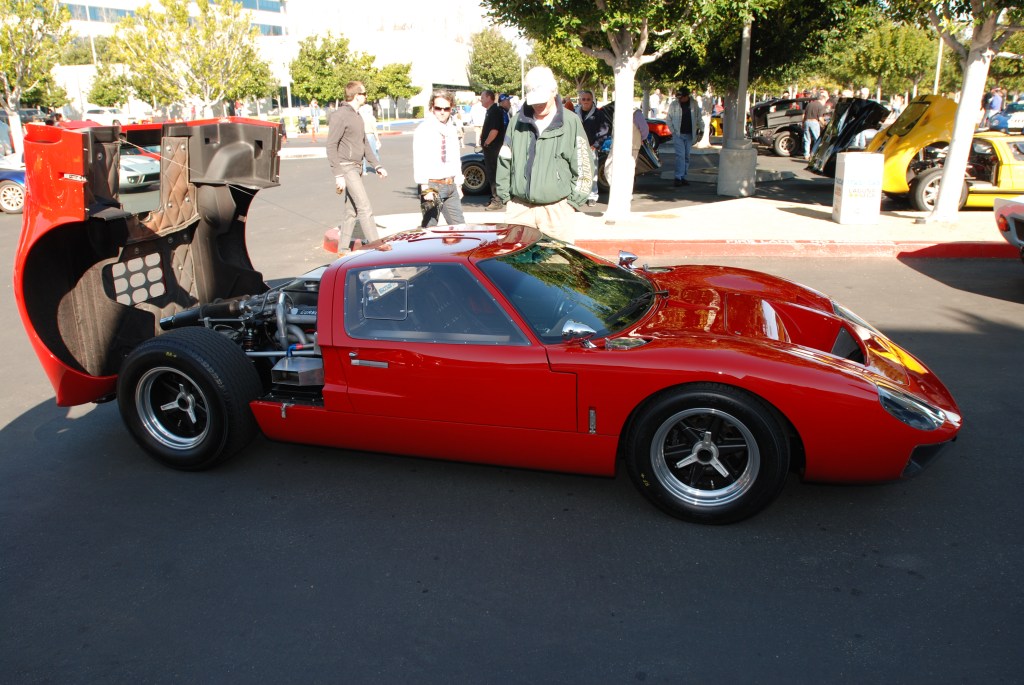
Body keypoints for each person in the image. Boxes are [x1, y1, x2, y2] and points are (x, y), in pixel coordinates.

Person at [496, 66, 592, 243]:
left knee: (557, 266)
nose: (538, 105)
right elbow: (504, 160)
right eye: (534, 101)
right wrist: (506, 197)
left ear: (554, 92)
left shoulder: (571, 122)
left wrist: (571, 204)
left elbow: (584, 165)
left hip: (558, 211)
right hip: (519, 209)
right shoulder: (516, 121)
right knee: (515, 267)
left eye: (542, 100)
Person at [326, 80, 388, 255]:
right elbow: (331, 146)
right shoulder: (340, 115)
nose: (366, 96)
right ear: (356, 95)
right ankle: (377, 246)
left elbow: (365, 144)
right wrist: (338, 175)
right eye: (364, 93)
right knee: (364, 207)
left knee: (351, 212)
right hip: (346, 167)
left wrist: (377, 165)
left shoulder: (358, 115)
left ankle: (343, 250)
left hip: (357, 166)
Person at [413, 89, 465, 228]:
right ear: (432, 108)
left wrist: (458, 184)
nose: (442, 112)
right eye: (438, 108)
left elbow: (455, 157)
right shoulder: (423, 129)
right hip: (432, 185)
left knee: (460, 229)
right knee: (430, 228)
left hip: (450, 185)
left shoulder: (452, 130)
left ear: (451, 109)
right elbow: (419, 159)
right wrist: (424, 187)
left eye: (446, 108)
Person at [577, 89, 609, 206]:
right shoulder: (575, 113)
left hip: (591, 148)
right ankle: (579, 195)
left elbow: (604, 130)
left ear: (592, 101)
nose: (585, 101)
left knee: (592, 172)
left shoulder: (599, 114)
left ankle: (592, 196)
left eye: (588, 99)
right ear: (580, 100)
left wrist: (596, 145)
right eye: (583, 99)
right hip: (577, 147)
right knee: (577, 172)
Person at [667, 86, 703, 187]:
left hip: (689, 134)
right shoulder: (674, 104)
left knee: (687, 156)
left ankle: (683, 176)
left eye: (682, 97)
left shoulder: (694, 104)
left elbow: (699, 117)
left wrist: (702, 130)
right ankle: (678, 177)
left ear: (687, 96)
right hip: (678, 134)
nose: (680, 99)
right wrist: (673, 131)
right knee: (680, 156)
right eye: (678, 97)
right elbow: (668, 119)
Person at [479, 90, 505, 211]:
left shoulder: (495, 111)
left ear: (489, 97)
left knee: (494, 174)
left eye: (483, 97)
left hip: (493, 149)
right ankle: (494, 197)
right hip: (490, 149)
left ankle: (497, 200)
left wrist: (486, 143)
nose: (481, 99)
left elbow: (494, 130)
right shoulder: (490, 111)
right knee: (491, 174)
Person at [800, 91, 828, 159]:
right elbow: (820, 118)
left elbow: (803, 115)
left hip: (807, 121)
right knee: (817, 139)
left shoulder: (809, 104)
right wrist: (824, 124)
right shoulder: (820, 106)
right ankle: (815, 154)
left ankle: (806, 155)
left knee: (807, 139)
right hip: (814, 122)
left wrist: (803, 123)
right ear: (822, 99)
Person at [358, 99, 381, 175]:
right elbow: (375, 129)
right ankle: (377, 169)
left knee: (363, 154)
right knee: (374, 153)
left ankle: (363, 170)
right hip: (370, 135)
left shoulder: (360, 118)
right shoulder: (371, 118)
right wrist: (377, 139)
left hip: (362, 135)